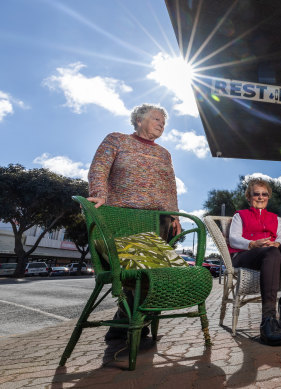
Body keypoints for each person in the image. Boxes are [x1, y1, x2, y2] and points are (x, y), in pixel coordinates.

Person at [87, 103, 181, 340]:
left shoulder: (164, 153)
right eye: (156, 119)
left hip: (157, 220)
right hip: (123, 216)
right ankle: (135, 325)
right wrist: (99, 194)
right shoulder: (116, 140)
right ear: (139, 120)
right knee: (136, 271)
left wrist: (175, 215)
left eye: (163, 121)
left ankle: (130, 323)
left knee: (157, 273)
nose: (161, 123)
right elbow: (99, 168)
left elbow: (170, 187)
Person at [228, 178, 281, 346]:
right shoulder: (240, 215)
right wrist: (252, 244)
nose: (260, 197)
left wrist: (277, 243)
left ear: (268, 197)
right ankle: (267, 320)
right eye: (256, 194)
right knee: (272, 252)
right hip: (246, 255)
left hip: (270, 254)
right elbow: (233, 239)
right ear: (249, 197)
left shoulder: (275, 218)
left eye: (264, 194)